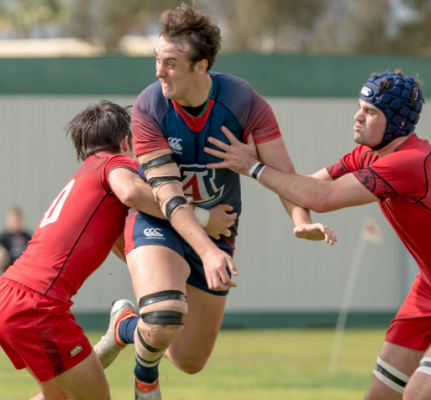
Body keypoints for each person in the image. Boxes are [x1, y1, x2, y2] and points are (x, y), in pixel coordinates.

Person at [205, 69, 431, 400]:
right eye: (360, 106)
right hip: (429, 293)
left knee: (421, 395)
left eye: (371, 112)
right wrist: (300, 221)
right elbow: (303, 187)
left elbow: (319, 197)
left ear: (399, 123)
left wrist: (253, 166)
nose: (358, 117)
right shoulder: (368, 155)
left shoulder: (409, 163)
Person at [93, 4, 336, 399]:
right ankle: (145, 381)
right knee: (164, 316)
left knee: (190, 361)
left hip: (219, 232)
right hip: (161, 221)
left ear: (201, 66)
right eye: (157, 60)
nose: (158, 72)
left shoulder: (243, 102)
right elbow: (168, 196)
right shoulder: (149, 106)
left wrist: (299, 217)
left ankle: (124, 324)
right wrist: (206, 249)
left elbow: (283, 173)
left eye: (170, 63)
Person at [0, 101, 234, 400]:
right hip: (36, 306)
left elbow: (119, 243)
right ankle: (121, 331)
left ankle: (121, 329)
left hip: (5, 296)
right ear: (127, 142)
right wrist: (203, 219)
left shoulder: (85, 176)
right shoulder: (116, 163)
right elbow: (132, 192)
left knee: (57, 397)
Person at [0, 207, 32, 273]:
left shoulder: (27, 236)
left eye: (17, 217)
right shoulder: (4, 236)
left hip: (22, 273)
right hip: (8, 273)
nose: (15, 220)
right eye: (13, 217)